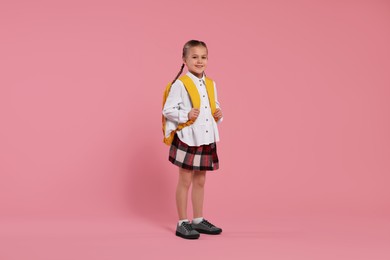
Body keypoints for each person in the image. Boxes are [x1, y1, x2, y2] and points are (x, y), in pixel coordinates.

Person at [162, 40, 223, 239]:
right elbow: (168, 110)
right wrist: (186, 115)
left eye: (203, 57)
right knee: (185, 179)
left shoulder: (211, 83)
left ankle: (198, 219)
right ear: (185, 60)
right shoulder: (180, 84)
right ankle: (182, 223)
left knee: (200, 180)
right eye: (194, 57)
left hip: (204, 138)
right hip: (188, 137)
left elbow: (212, 107)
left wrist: (219, 115)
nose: (199, 61)